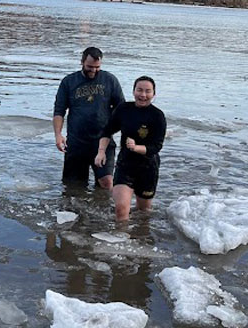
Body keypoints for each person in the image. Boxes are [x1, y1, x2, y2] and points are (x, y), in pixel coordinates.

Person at [94, 76, 166, 221]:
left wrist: (136, 147)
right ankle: (120, 240)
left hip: (148, 167)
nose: (143, 95)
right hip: (126, 165)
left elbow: (156, 146)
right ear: (133, 91)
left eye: (148, 91)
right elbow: (107, 131)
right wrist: (101, 152)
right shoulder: (124, 109)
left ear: (153, 94)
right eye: (139, 90)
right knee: (121, 209)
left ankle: (139, 238)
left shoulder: (157, 116)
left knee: (143, 211)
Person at [53, 47, 125, 189]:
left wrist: (126, 135)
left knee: (106, 183)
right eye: (89, 67)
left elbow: (122, 109)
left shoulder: (110, 80)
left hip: (103, 141)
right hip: (76, 142)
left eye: (97, 67)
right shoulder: (69, 82)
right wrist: (58, 135)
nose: (93, 70)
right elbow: (59, 111)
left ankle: (103, 209)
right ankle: (78, 209)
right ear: (82, 62)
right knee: (73, 187)